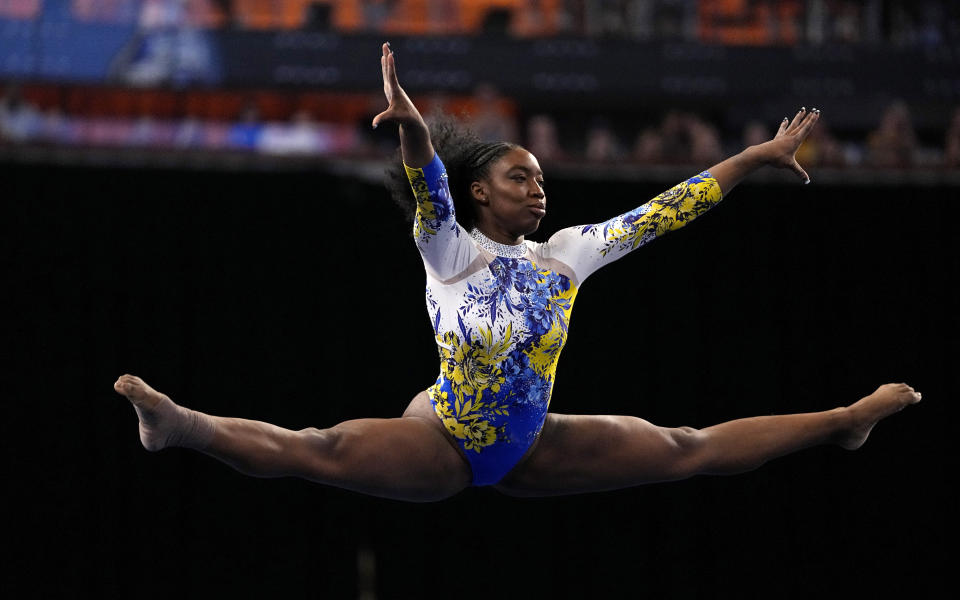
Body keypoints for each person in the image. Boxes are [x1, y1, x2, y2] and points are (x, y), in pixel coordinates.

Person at [114, 43, 921, 503]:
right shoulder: (451, 250)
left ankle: (846, 418)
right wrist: (415, 129)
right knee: (317, 450)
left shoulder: (564, 256)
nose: (537, 188)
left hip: (531, 443)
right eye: (519, 178)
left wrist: (753, 156)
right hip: (447, 442)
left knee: (686, 447)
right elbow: (427, 182)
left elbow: (667, 210)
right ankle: (178, 423)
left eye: (541, 179)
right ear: (480, 192)